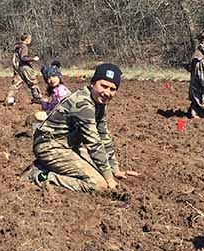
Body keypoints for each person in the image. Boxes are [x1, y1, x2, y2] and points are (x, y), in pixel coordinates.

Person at [28, 63, 137, 193]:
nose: (107, 93)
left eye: (112, 89)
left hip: (68, 145)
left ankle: (51, 167)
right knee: (98, 185)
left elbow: (103, 136)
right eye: (103, 86)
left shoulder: (99, 103)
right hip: (50, 146)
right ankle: (42, 175)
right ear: (92, 84)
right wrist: (109, 179)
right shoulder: (83, 105)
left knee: (101, 168)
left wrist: (115, 169)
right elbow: (94, 143)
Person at [5, 33, 42, 105]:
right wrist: (33, 59)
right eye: (30, 39)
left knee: (15, 84)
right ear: (27, 39)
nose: (30, 41)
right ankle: (37, 98)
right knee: (33, 82)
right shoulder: (24, 47)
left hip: (18, 68)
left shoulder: (17, 47)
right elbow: (23, 58)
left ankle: (9, 99)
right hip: (25, 67)